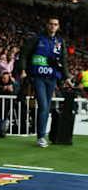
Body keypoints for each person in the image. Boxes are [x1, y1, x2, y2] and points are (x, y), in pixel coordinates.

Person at [19, 17, 73, 148]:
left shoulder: (60, 42)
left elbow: (64, 60)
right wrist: (23, 70)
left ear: (58, 26)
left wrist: (67, 77)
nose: (53, 26)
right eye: (51, 24)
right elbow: (24, 54)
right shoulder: (37, 39)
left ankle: (42, 135)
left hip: (52, 78)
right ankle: (41, 137)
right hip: (38, 77)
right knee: (43, 106)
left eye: (55, 24)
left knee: (47, 107)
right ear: (47, 25)